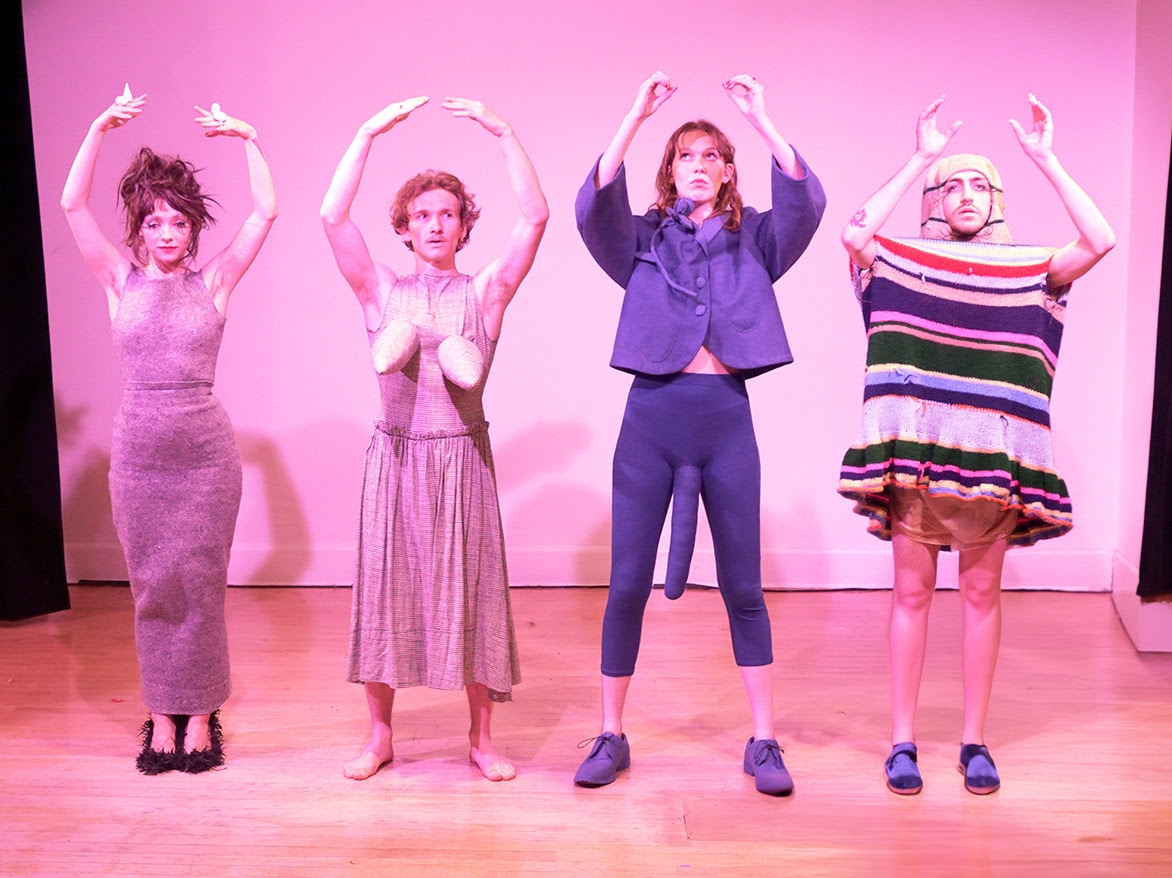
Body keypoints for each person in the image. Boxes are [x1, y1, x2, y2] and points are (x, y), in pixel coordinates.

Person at [838, 95, 1115, 795]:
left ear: (997, 200)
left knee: (983, 595)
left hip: (991, 464)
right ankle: (901, 742)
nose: (966, 195)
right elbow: (855, 234)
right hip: (917, 462)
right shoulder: (902, 265)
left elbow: (1101, 240)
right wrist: (920, 158)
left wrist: (1047, 161)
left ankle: (974, 741)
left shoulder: (1030, 269)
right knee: (910, 593)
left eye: (980, 184)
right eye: (952, 184)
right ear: (935, 199)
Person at [573, 72, 825, 796]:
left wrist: (762, 117)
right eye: (687, 155)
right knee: (625, 587)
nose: (701, 165)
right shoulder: (643, 241)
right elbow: (593, 203)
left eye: (714, 155)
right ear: (670, 169)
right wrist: (634, 110)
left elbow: (807, 201)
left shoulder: (758, 241)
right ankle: (612, 734)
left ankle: (764, 741)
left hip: (725, 421)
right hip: (651, 421)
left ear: (729, 170)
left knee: (744, 586)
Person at [320, 96, 547, 782]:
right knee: (388, 592)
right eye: (422, 214)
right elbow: (331, 218)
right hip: (395, 457)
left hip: (461, 458)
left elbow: (536, 218)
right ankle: (381, 734)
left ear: (464, 223)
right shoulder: (380, 292)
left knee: (474, 592)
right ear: (405, 227)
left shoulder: (484, 295)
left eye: (447, 212)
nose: (435, 223)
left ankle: (481, 740)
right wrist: (363, 130)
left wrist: (504, 128)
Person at [61, 89, 278, 774]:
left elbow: (266, 212)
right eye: (154, 222)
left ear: (191, 230)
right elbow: (71, 206)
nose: (165, 233)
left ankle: (202, 712)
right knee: (153, 585)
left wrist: (249, 138)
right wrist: (97, 126)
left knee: (201, 584)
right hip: (140, 457)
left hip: (206, 460)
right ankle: (161, 712)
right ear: (139, 229)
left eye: (177, 223)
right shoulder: (118, 281)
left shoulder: (213, 284)